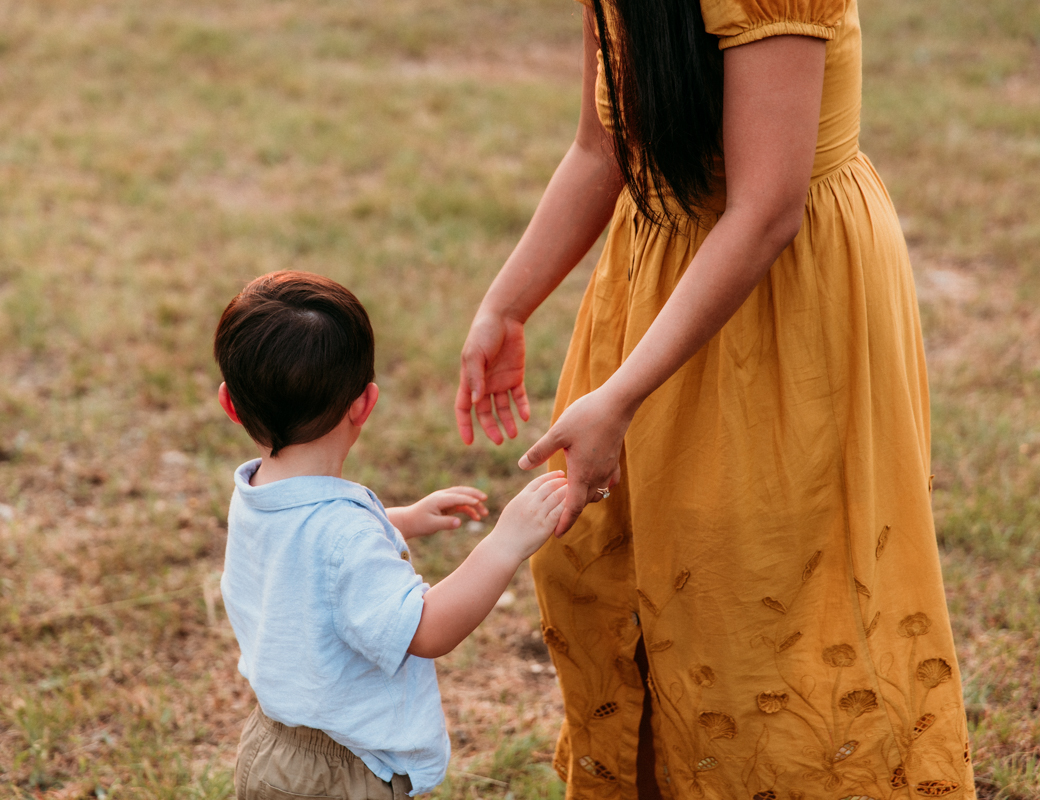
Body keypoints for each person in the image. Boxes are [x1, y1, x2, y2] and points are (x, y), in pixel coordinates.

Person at [455, 0, 973, 797]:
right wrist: (505, 305)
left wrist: (620, 395)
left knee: (752, 595)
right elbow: (601, 147)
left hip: (783, 296)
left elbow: (766, 209)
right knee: (610, 569)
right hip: (657, 275)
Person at [214, 270, 568, 799]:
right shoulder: (344, 536)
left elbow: (306, 554)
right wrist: (505, 543)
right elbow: (426, 630)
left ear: (230, 405)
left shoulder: (255, 492)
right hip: (346, 769)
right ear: (365, 404)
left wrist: (399, 518)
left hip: (269, 750)